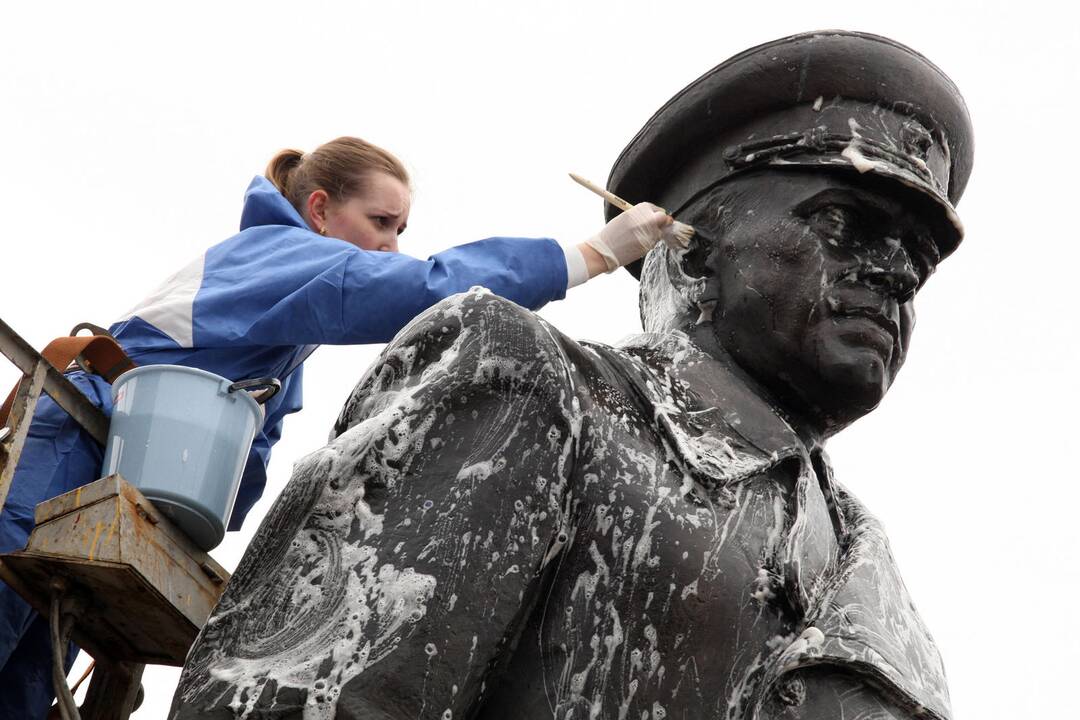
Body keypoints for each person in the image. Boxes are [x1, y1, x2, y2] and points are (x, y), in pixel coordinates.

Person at [171, 31, 973, 720]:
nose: (897, 271)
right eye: (842, 221)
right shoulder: (532, 385)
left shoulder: (882, 585)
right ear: (692, 247)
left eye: (919, 257)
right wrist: (582, 257)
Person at [0, 135, 674, 718]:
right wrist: (588, 254)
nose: (389, 244)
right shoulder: (271, 258)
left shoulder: (282, 350)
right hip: (76, 430)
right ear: (320, 209)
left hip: (115, 454)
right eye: (380, 221)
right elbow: (418, 288)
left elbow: (236, 488)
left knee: (28, 683)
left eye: (401, 231)